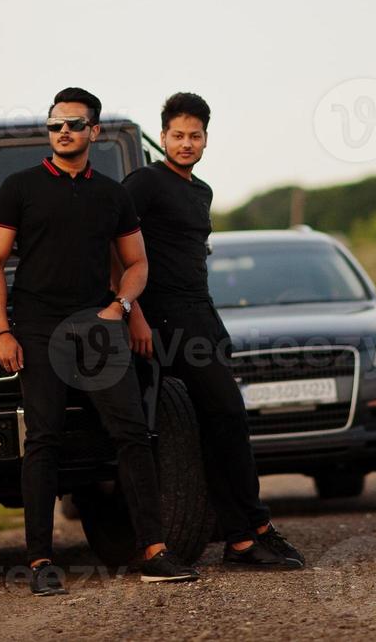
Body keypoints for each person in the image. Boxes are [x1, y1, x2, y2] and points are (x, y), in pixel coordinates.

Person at [0, 87, 200, 597]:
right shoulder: (20, 187)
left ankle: (153, 551)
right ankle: (39, 562)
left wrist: (121, 308)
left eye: (75, 124)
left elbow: (137, 262)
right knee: (43, 440)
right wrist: (3, 331)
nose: (64, 131)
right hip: (37, 328)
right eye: (56, 123)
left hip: (99, 327)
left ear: (94, 132)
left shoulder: (112, 195)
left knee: (132, 434)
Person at [123, 92, 305, 569]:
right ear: (162, 137)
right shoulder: (145, 182)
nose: (186, 143)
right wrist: (132, 311)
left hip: (200, 314)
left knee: (223, 422)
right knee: (222, 414)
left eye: (195, 136)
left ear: (206, 139)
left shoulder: (200, 190)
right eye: (178, 135)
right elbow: (112, 242)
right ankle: (251, 530)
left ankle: (242, 535)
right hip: (163, 317)